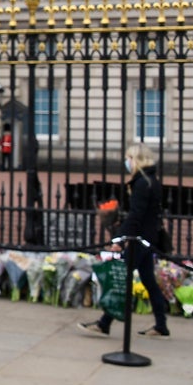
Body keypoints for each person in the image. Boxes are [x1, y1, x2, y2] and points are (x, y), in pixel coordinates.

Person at [78, 142, 171, 338]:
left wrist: (119, 238)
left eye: (128, 158)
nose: (126, 162)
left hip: (140, 239)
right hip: (148, 237)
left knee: (121, 279)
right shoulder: (151, 180)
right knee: (148, 280)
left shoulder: (142, 183)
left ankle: (104, 323)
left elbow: (136, 216)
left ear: (136, 160)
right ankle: (161, 324)